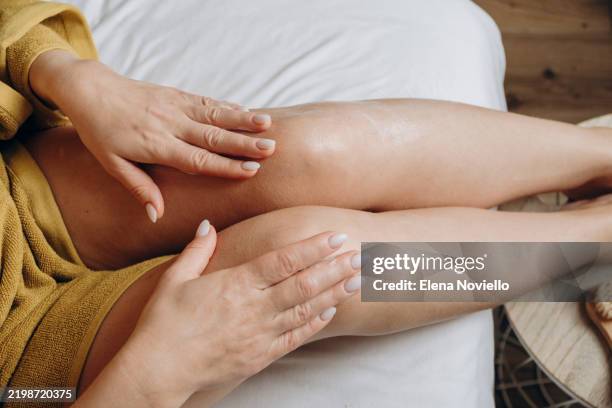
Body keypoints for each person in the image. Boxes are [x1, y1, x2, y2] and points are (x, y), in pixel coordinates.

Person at [2, 1, 612, 407]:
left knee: (303, 154)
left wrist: (65, 73)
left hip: (15, 188)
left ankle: (600, 153)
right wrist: (153, 377)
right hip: (24, 362)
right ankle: (598, 237)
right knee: (326, 268)